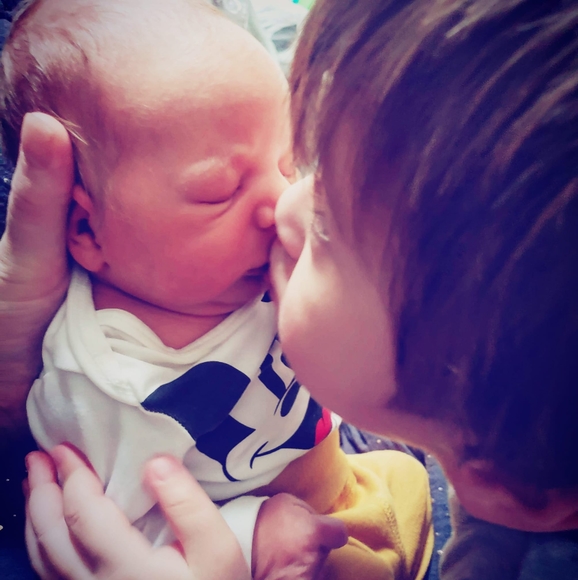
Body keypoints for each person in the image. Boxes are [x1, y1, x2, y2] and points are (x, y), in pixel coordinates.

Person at [5, 0, 578, 577]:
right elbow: (105, 525)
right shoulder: (108, 384)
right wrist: (249, 534)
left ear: (494, 481)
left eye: (326, 224)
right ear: (87, 228)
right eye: (308, 165)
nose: (285, 203)